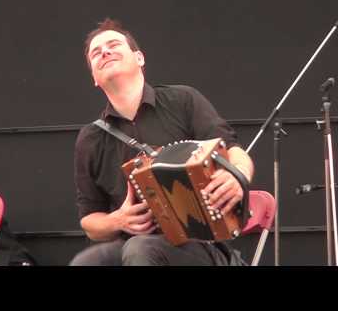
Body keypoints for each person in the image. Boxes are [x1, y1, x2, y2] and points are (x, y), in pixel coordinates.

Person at [69, 18, 254, 266]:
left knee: (140, 248)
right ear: (94, 77)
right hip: (129, 245)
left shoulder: (183, 100)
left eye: (114, 44)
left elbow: (234, 150)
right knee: (87, 262)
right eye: (96, 53)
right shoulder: (90, 139)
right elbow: (90, 219)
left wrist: (236, 175)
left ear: (140, 58)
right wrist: (118, 221)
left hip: (201, 246)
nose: (105, 52)